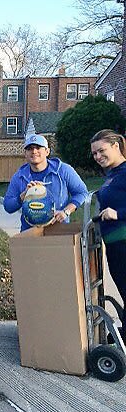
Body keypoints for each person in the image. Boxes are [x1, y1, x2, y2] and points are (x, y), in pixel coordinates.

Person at [3, 134, 88, 231]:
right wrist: (22, 197)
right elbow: (8, 206)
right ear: (25, 153)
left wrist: (66, 211)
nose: (34, 151)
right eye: (29, 148)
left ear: (47, 151)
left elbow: (82, 192)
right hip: (30, 232)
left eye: (38, 147)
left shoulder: (63, 170)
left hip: (59, 229)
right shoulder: (19, 177)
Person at [90, 129, 126, 342]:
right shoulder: (113, 174)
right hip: (114, 245)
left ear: (116, 146)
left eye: (101, 150)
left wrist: (118, 213)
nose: (98, 157)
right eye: (94, 153)